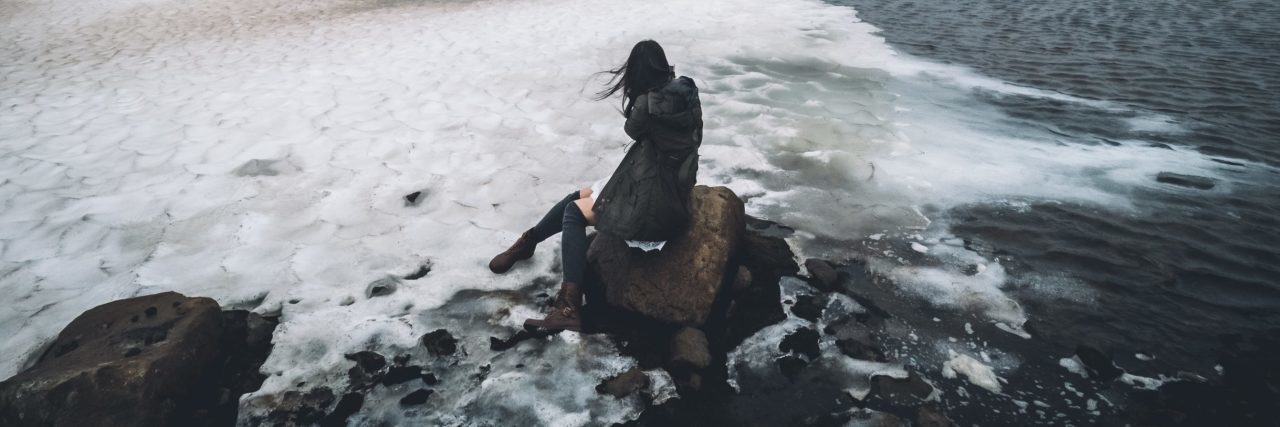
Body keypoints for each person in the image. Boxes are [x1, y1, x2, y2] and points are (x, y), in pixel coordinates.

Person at [487, 40, 704, 332]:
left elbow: (632, 130)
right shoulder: (687, 92)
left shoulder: (647, 103)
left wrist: (640, 95)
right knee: (577, 196)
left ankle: (568, 307)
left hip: (655, 201)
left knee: (574, 214)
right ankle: (528, 242)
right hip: (671, 185)